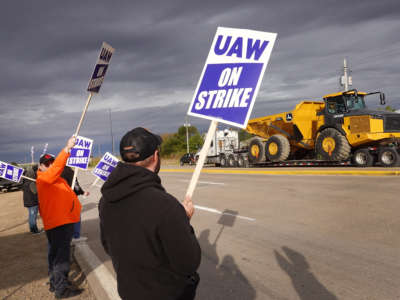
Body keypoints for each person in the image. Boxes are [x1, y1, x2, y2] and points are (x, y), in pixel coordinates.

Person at [99, 127, 201, 300]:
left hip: (129, 291)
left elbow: (108, 245)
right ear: (155, 156)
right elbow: (188, 263)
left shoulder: (106, 201)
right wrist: (184, 221)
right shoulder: (165, 205)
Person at [36, 137, 83, 299]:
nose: (50, 165)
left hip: (60, 222)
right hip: (59, 223)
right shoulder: (44, 178)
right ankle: (61, 289)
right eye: (46, 163)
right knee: (61, 258)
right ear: (40, 167)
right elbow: (55, 170)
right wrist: (67, 149)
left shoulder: (54, 179)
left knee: (55, 255)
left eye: (51, 162)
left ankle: (56, 282)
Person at [61, 166, 90, 243]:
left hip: (59, 198)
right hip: (71, 198)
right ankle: (76, 236)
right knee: (76, 216)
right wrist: (83, 192)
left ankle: (66, 236)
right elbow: (76, 186)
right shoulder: (70, 172)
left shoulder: (56, 171)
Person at [22, 164, 42, 234]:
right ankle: (34, 230)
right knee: (32, 216)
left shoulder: (25, 181)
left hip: (28, 201)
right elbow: (35, 192)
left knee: (31, 216)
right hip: (32, 202)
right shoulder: (31, 182)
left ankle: (32, 229)